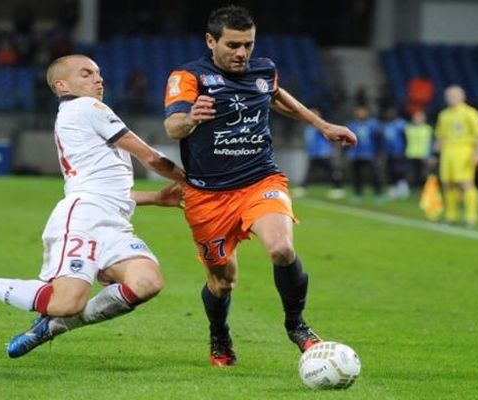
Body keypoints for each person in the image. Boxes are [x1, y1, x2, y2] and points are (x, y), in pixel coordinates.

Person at [0, 54, 186, 358]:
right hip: (84, 218)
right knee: (65, 302)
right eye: (86, 74)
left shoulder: (80, 115)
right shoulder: (87, 107)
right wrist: (191, 181)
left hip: (112, 220)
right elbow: (151, 158)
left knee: (147, 282)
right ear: (62, 85)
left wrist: (156, 198)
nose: (98, 79)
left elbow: (104, 188)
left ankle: (53, 326)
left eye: (98, 73)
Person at [163, 5, 357, 367]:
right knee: (223, 282)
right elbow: (172, 127)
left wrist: (323, 125)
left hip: (259, 179)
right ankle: (219, 334)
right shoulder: (189, 77)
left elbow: (276, 95)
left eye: (248, 45)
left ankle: (296, 325)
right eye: (233, 45)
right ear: (211, 41)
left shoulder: (263, 68)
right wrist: (191, 118)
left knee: (281, 248)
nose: (242, 53)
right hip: (208, 194)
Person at [435, 85, 478, 228]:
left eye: (455, 95)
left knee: (466, 183)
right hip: (447, 152)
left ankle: (471, 217)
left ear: (462, 97)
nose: (451, 98)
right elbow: (440, 136)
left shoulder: (470, 113)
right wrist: (435, 152)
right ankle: (451, 215)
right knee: (448, 183)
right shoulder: (444, 115)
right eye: (449, 96)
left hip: (464, 151)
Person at [294, 108, 345, 199]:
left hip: (323, 154)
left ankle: (338, 188)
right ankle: (303, 188)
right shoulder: (308, 129)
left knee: (331, 171)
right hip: (313, 154)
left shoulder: (321, 128)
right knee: (310, 172)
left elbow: (330, 138)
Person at [345, 105, 383, 203]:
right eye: (359, 112)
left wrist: (377, 152)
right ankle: (357, 194)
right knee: (357, 176)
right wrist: (347, 151)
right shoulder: (352, 125)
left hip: (369, 154)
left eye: (363, 112)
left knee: (374, 175)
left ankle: (378, 194)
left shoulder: (373, 125)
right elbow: (346, 140)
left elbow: (378, 139)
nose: (361, 114)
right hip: (355, 154)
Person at [380, 106, 408, 199]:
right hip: (389, 152)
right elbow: (383, 140)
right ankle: (393, 189)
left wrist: (405, 149)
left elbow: (406, 137)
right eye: (388, 113)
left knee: (399, 170)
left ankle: (402, 187)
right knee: (390, 171)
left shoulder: (401, 124)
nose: (390, 115)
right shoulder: (385, 125)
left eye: (392, 113)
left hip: (399, 151)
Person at [405, 110, 434, 188]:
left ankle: (423, 188)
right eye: (416, 118)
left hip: (423, 155)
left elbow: (431, 143)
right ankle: (413, 189)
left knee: (423, 174)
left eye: (419, 118)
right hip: (411, 154)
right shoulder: (408, 128)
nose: (417, 119)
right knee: (412, 173)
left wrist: (430, 155)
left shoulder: (428, 129)